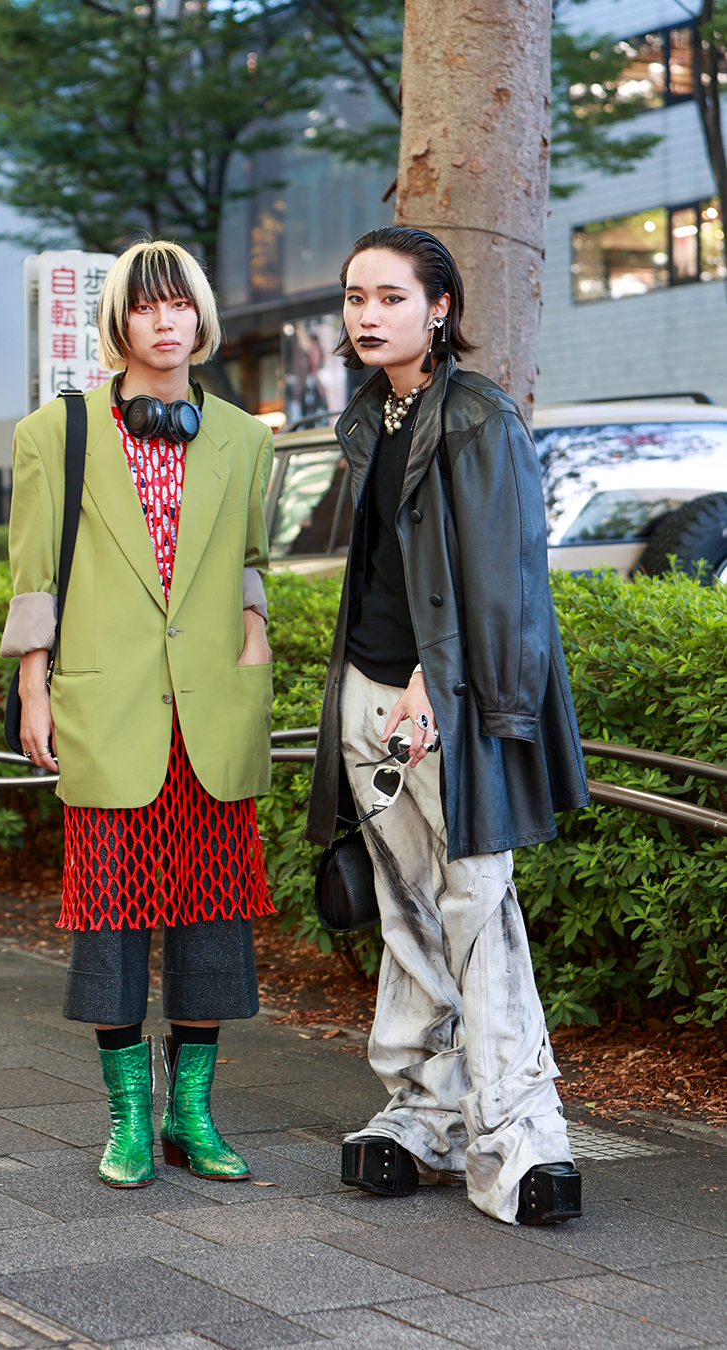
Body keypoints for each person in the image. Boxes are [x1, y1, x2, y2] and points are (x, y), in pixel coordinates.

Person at [305, 226, 590, 1226]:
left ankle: (521, 1135)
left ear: (440, 307)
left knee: (478, 899)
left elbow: (509, 576)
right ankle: (423, 1111)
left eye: (391, 297)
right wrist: (378, 688)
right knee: (407, 904)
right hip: (366, 691)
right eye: (356, 298)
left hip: (444, 700)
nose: (368, 314)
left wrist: (440, 683)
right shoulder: (371, 415)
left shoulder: (479, 414)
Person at [0, 239, 276, 1188]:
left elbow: (250, 561)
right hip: (108, 705)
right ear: (118, 321)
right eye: (148, 305)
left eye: (182, 303)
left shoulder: (243, 436)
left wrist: (254, 637)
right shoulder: (56, 432)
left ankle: (191, 1114)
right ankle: (127, 1118)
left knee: (213, 918)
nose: (167, 321)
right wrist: (34, 687)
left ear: (202, 316)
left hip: (211, 710)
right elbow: (34, 578)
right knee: (110, 919)